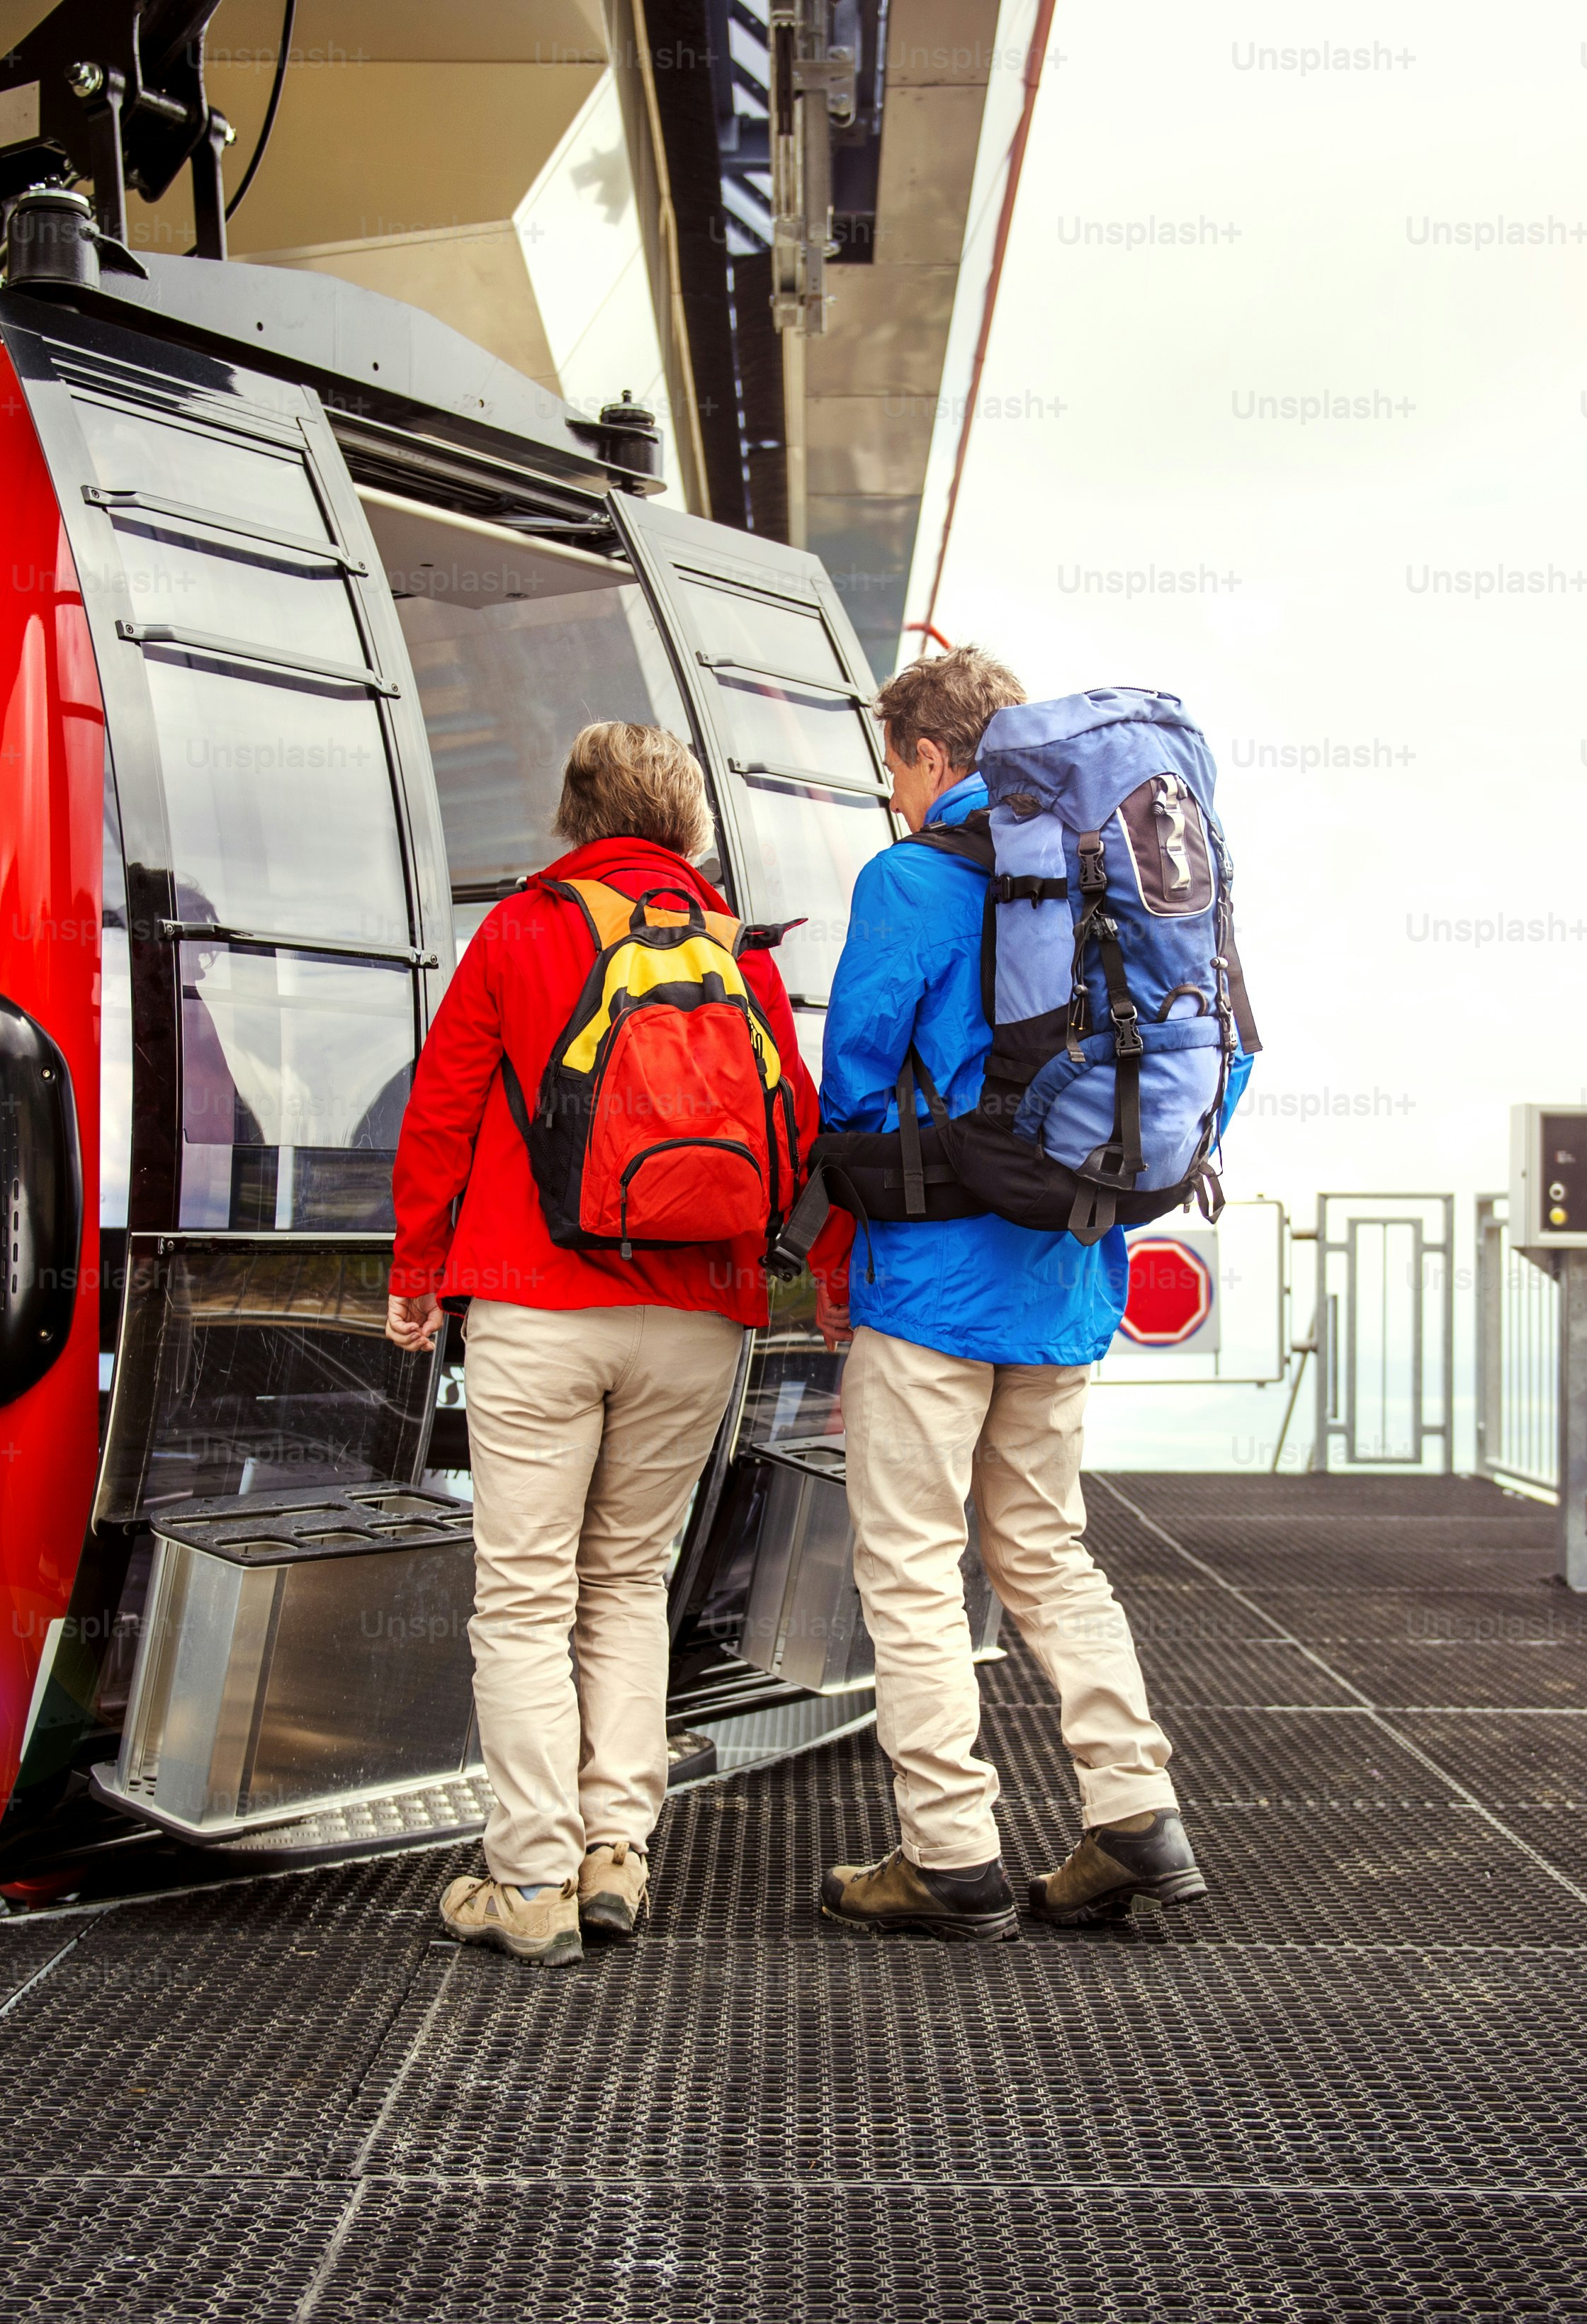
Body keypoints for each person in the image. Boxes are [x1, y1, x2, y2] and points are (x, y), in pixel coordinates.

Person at [806, 645, 1229, 1939]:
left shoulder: (912, 878)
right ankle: (1132, 1814)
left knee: (915, 1566)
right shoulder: (1119, 885)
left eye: (896, 770)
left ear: (935, 760)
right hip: (1063, 1284)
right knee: (1048, 1553)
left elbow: (855, 1083)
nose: (893, 796)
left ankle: (948, 1855)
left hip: (930, 1293)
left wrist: (848, 1240)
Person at [387, 721, 814, 1966]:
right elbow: (793, 1133)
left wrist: (418, 1273)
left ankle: (530, 1880)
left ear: (575, 817)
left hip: (536, 1304)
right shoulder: (739, 953)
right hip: (698, 1316)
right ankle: (616, 1851)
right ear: (684, 825)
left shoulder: (519, 930)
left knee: (524, 1597)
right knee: (629, 1580)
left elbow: (444, 1114)